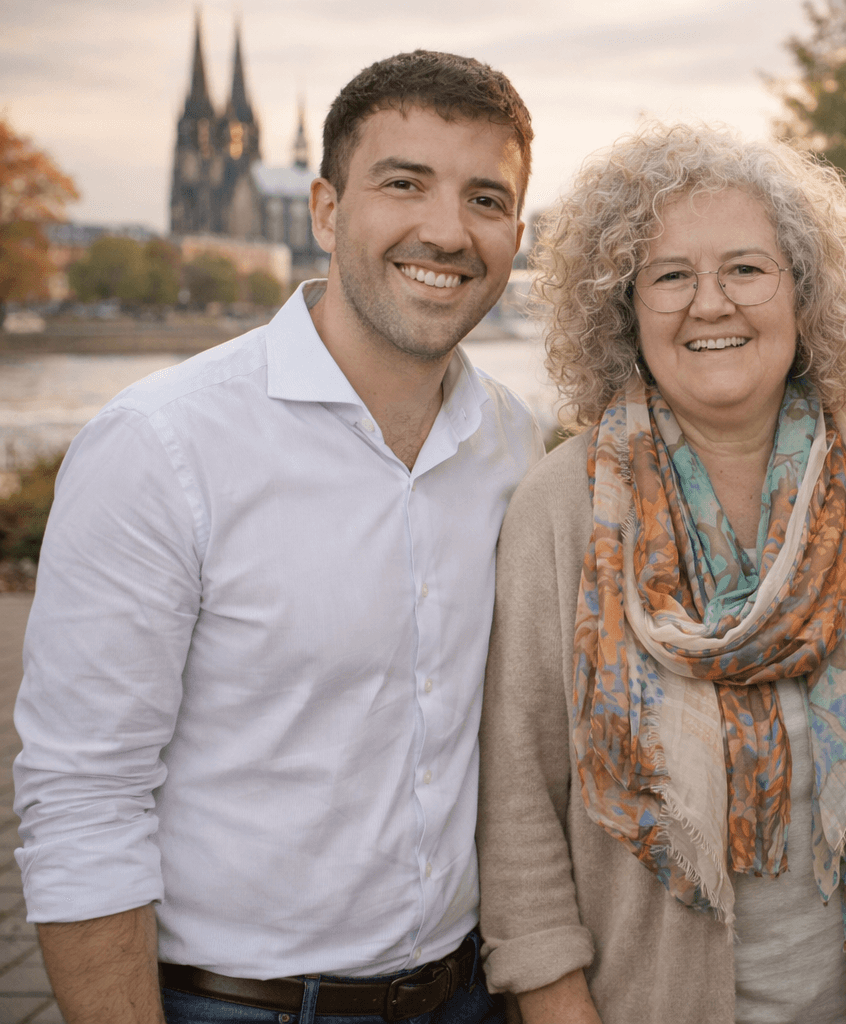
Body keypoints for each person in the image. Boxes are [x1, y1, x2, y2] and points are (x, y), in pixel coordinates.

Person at [13, 51, 542, 1024]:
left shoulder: (517, 446)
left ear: (516, 231)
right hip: (235, 1005)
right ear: (325, 211)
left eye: (486, 198)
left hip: (468, 993)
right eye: (405, 183)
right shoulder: (161, 447)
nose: (447, 230)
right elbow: (84, 798)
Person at [476, 122, 846, 1024]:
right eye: (671, 276)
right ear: (624, 308)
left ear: (803, 294)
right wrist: (556, 1001)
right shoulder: (564, 507)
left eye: (746, 270)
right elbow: (518, 793)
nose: (710, 304)